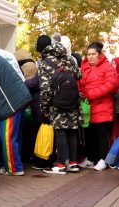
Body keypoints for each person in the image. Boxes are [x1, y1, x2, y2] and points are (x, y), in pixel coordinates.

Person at [0, 43, 32, 176]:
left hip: (10, 104)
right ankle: (15, 164)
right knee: (14, 137)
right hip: (17, 101)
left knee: (8, 138)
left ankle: (14, 168)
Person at [35, 35, 82, 175]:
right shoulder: (69, 59)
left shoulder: (45, 62)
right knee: (72, 130)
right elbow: (79, 75)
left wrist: (44, 107)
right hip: (73, 101)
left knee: (60, 131)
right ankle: (73, 163)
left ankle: (61, 163)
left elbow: (44, 88)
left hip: (56, 103)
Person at [78, 42, 118, 171]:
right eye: (88, 54)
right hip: (87, 107)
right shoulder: (83, 67)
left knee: (101, 134)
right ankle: (91, 158)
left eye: (93, 54)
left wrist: (90, 94)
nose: (90, 57)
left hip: (102, 107)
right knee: (89, 134)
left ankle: (102, 159)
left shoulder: (107, 67)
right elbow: (79, 82)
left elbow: (111, 84)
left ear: (99, 55)